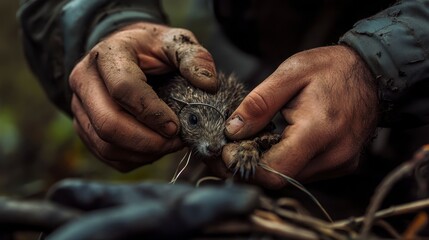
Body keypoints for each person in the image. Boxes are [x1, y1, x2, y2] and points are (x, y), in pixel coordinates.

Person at [18, 0, 429, 189]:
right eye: (194, 121)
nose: (215, 141)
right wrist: (110, 21)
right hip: (240, 41)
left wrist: (379, 65)